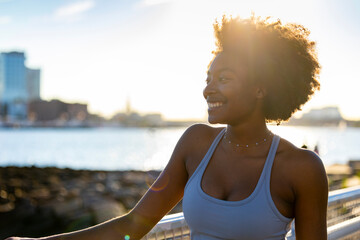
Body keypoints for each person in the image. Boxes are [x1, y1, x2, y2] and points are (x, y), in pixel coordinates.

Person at [6, 15, 328, 240]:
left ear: (261, 88)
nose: (208, 90)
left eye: (224, 79)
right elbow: (131, 226)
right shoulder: (196, 143)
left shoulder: (302, 168)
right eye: (208, 79)